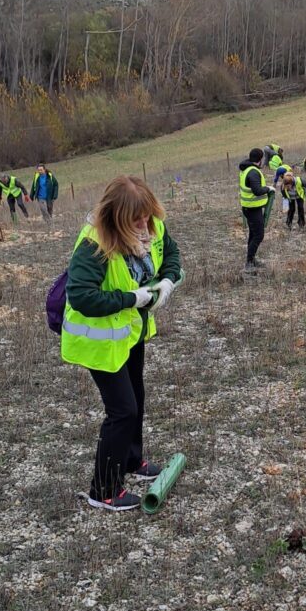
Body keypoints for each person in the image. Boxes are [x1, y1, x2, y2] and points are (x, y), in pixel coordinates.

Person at [61, 176, 182, 511]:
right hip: (97, 342)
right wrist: (132, 298)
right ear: (115, 216)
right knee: (122, 411)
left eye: (147, 217)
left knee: (137, 398)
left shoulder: (151, 224)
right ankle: (104, 490)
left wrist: (168, 281)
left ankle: (132, 460)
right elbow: (82, 296)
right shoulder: (94, 243)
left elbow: (170, 253)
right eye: (136, 220)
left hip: (129, 333)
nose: (145, 225)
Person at [239, 148, 275, 275]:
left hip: (250, 208)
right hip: (252, 209)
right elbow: (257, 190)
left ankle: (252, 259)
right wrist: (268, 188)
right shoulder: (253, 172)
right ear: (260, 160)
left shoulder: (246, 169)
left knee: (253, 234)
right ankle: (249, 263)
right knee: (259, 235)